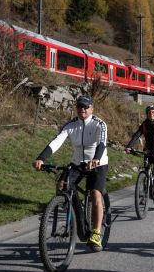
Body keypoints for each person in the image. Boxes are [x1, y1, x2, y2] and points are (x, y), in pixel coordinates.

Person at [33, 95, 108, 251]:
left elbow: (102, 143)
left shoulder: (99, 124)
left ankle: (96, 232)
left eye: (86, 107)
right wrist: (41, 158)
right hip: (77, 163)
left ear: (92, 108)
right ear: (76, 108)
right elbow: (57, 141)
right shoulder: (70, 125)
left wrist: (95, 159)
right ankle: (73, 211)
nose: (83, 109)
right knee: (62, 184)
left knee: (95, 193)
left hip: (98, 163)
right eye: (80, 106)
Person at [125, 105, 154, 185]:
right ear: (147, 114)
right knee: (146, 166)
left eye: (153, 112)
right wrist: (129, 146)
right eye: (149, 112)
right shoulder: (144, 124)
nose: (151, 114)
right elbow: (136, 135)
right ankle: (146, 187)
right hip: (148, 149)